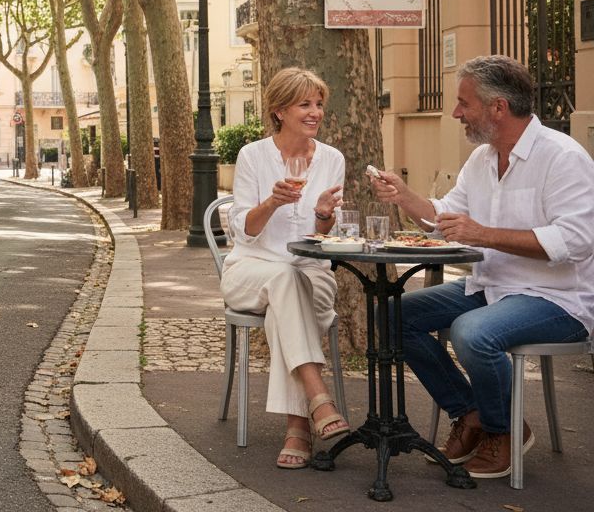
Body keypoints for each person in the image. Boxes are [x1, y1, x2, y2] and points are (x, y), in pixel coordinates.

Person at [370, 55, 593, 479]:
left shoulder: (564, 158)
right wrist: (404, 196)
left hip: (559, 300)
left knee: (474, 332)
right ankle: (470, 411)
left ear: (497, 108)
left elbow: (577, 242)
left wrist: (484, 234)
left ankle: (503, 431)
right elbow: (446, 219)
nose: (455, 113)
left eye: (463, 103)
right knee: (395, 314)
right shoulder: (483, 159)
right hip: (491, 287)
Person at [221, 67, 351, 469]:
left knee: (291, 289)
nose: (315, 112)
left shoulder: (332, 159)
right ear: (279, 111)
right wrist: (272, 203)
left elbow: (326, 238)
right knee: (282, 280)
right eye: (304, 104)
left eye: (318, 104)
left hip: (310, 270)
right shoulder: (252, 156)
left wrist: (326, 217)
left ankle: (300, 425)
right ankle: (317, 397)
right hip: (252, 269)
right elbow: (244, 230)